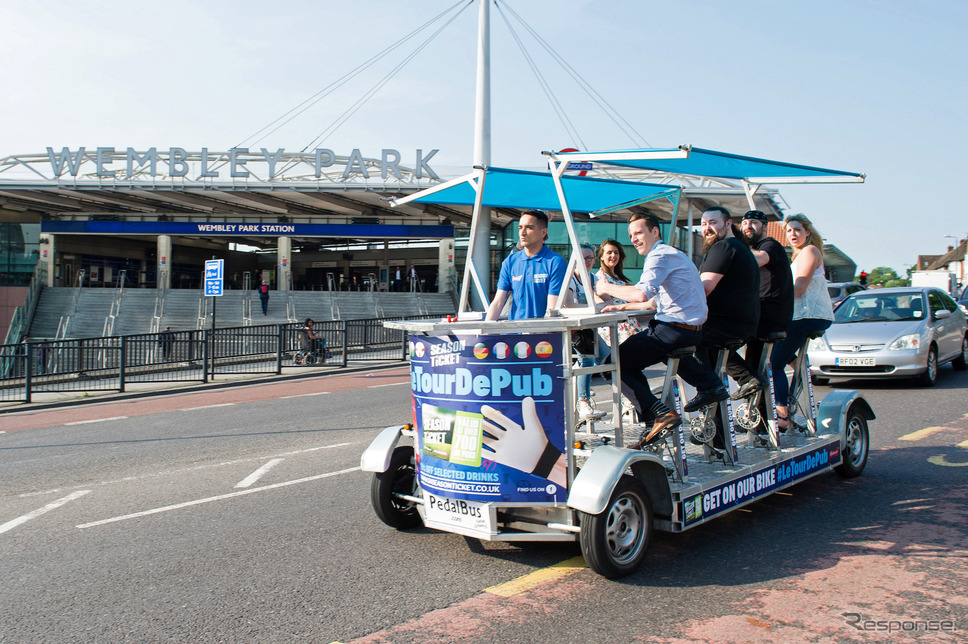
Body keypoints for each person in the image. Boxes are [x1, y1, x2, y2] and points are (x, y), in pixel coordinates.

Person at [595, 211, 708, 447]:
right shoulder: (672, 253)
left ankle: (659, 414)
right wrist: (622, 306)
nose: (634, 239)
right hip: (690, 329)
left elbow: (641, 292)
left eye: (638, 233)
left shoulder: (658, 255)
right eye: (631, 235)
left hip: (675, 329)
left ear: (654, 232)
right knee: (630, 362)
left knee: (611, 365)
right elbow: (653, 302)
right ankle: (706, 386)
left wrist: (605, 288)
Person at [677, 207, 760, 415]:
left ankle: (713, 392)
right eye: (704, 224)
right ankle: (716, 421)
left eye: (713, 222)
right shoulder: (739, 247)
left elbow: (703, 288)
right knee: (706, 350)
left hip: (726, 324)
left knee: (678, 339)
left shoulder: (724, 247)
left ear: (728, 223)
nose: (707, 228)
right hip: (741, 323)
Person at [770, 214, 834, 429]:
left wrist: (770, 296)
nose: (793, 234)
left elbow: (799, 289)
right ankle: (802, 368)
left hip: (808, 315)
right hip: (805, 315)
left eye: (797, 229)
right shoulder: (798, 256)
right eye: (789, 231)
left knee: (774, 364)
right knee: (777, 350)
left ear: (808, 232)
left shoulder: (809, 251)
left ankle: (782, 416)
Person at [725, 210, 794, 400]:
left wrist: (734, 245)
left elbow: (758, 259)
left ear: (765, 227)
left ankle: (748, 380)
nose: (748, 226)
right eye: (745, 223)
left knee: (713, 341)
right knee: (754, 363)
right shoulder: (751, 250)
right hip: (763, 315)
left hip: (770, 316)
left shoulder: (770, 245)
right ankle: (757, 412)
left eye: (754, 222)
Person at [485, 210, 567, 321]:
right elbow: (497, 303)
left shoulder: (555, 262)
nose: (522, 233)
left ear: (543, 232)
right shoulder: (510, 261)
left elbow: (552, 309)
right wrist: (484, 334)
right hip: (514, 334)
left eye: (529, 228)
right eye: (520, 227)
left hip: (542, 334)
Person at [566, 243, 603, 420]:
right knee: (586, 360)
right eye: (582, 258)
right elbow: (569, 305)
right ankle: (582, 400)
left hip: (589, 326)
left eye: (589, 258)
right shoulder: (570, 279)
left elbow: (608, 300)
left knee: (607, 357)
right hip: (573, 329)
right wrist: (595, 307)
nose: (586, 261)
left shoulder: (593, 278)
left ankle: (583, 393)